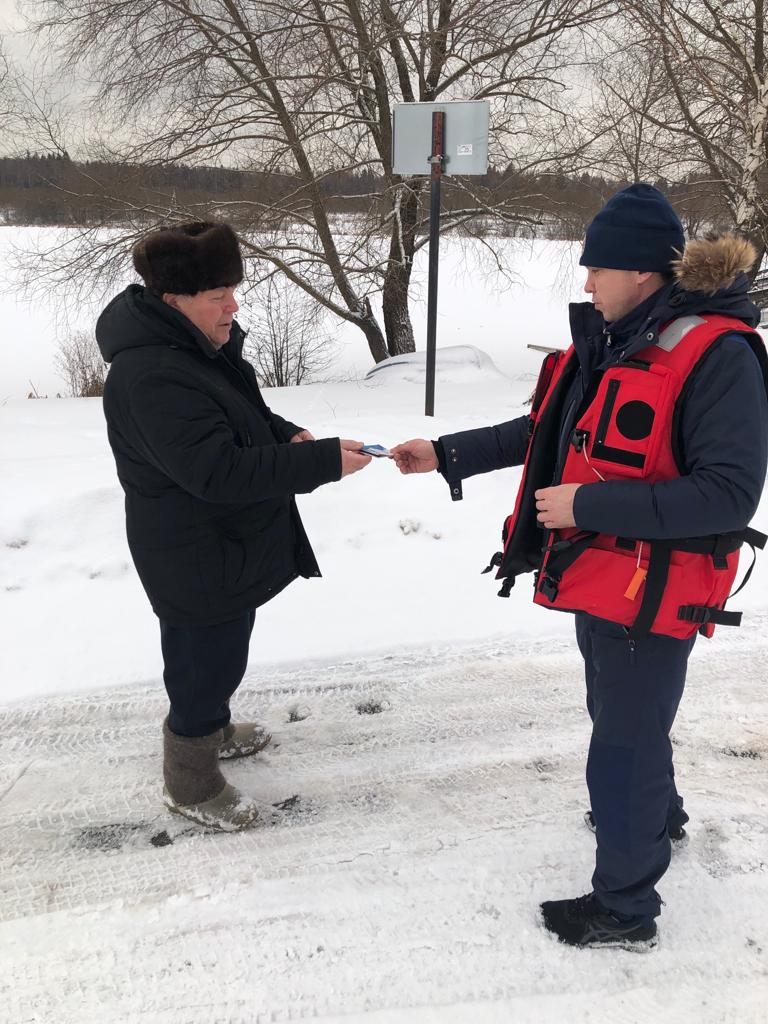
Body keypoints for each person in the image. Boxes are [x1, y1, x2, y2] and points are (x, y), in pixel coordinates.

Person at [391, 183, 768, 948]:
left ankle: (625, 910)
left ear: (643, 272)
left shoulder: (718, 354)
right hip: (600, 576)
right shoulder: (614, 342)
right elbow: (545, 428)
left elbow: (728, 497)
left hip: (654, 588)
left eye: (597, 268)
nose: (586, 283)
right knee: (623, 718)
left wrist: (586, 509)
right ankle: (655, 819)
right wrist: (446, 453)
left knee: (622, 743)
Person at [96, 221, 371, 832]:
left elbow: (242, 414)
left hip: (221, 541)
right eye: (218, 294)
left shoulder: (193, 350)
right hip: (190, 548)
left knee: (224, 650)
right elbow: (215, 470)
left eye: (232, 288)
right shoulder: (152, 376)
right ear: (174, 302)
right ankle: (190, 780)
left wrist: (285, 436)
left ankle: (213, 728)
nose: (234, 304)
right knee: (202, 661)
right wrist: (319, 461)